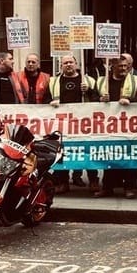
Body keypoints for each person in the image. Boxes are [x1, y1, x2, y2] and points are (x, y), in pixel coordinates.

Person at [46, 54, 99, 194]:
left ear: (76, 64)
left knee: (88, 151)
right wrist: (51, 103)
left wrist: (89, 90)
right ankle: (63, 182)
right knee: (63, 152)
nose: (68, 65)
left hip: (84, 124)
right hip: (62, 124)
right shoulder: (53, 81)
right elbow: (45, 100)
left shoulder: (88, 80)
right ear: (61, 66)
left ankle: (93, 180)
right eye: (65, 63)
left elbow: (98, 101)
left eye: (71, 62)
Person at [93, 56, 137, 199]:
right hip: (109, 125)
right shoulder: (102, 81)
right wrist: (100, 99)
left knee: (129, 156)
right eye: (121, 66)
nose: (124, 69)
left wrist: (131, 100)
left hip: (129, 125)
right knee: (109, 156)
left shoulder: (136, 80)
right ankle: (107, 187)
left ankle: (129, 187)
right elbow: (90, 99)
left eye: (126, 66)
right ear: (112, 65)